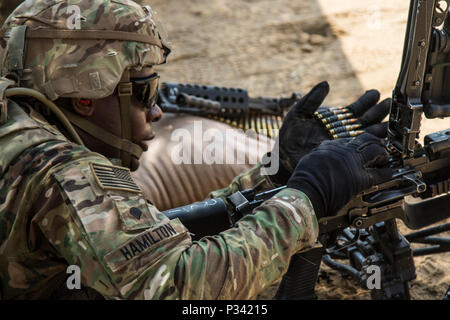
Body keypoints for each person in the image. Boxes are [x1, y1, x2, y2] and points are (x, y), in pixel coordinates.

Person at [0, 0, 392, 299]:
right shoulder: (64, 174)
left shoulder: (15, 122)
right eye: (144, 92)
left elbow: (146, 236)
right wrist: (307, 197)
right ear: (85, 99)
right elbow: (182, 284)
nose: (156, 111)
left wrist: (278, 171)